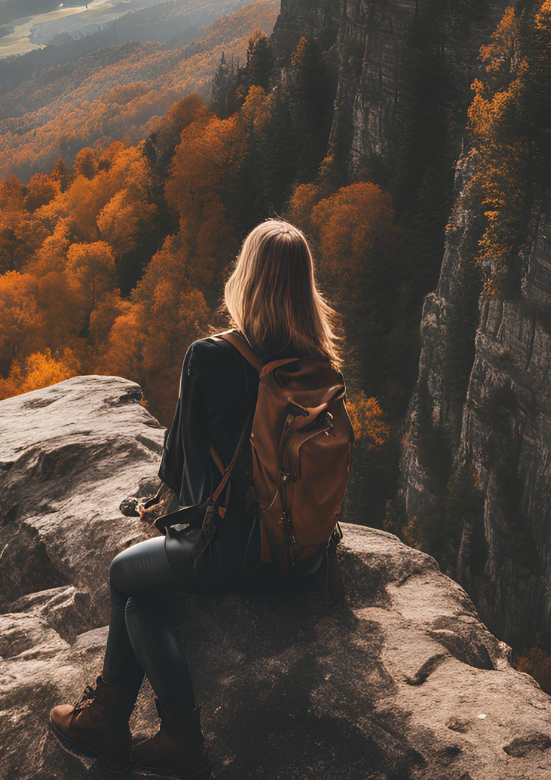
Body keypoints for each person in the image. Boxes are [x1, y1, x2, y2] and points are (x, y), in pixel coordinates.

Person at [48, 219, 343, 779]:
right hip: (304, 557)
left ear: (246, 278)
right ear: (306, 288)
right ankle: (146, 733)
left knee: (122, 575)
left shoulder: (210, 356)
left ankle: (127, 726)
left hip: (235, 556)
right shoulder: (319, 365)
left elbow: (183, 472)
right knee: (141, 606)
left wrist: (156, 512)